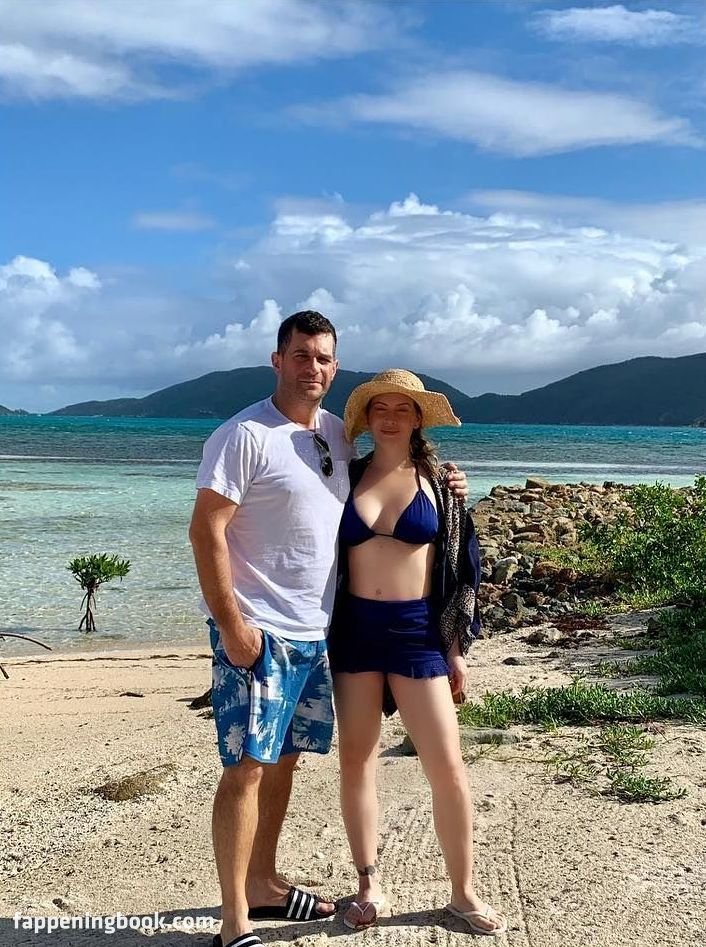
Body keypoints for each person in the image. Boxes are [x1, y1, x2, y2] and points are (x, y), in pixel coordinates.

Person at [189, 314, 467, 947]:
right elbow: (206, 529)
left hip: (318, 631)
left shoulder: (336, 434)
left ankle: (263, 883)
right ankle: (234, 924)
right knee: (246, 767)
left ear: (335, 368)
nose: (311, 367)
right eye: (300, 355)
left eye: (322, 358)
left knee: (284, 761)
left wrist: (450, 483)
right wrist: (232, 626)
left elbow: (395, 479)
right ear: (277, 360)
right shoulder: (244, 435)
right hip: (259, 629)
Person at [329, 369, 507, 936]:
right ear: (367, 418)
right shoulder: (344, 477)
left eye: (402, 409)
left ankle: (463, 892)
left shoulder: (441, 484)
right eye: (380, 408)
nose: (390, 418)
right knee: (357, 760)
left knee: (447, 767)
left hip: (417, 633)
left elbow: (462, 569)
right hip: (354, 630)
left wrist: (456, 649)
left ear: (418, 418)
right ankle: (369, 885)